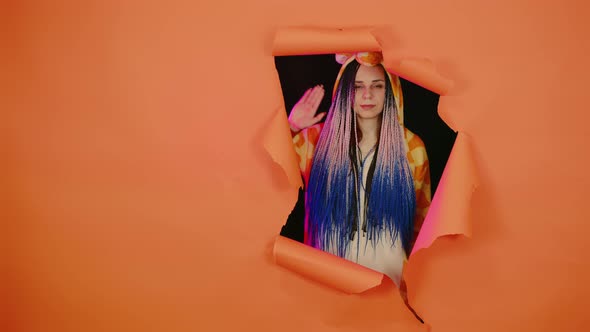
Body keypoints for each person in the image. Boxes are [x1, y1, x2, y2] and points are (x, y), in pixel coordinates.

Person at [288, 52, 432, 287]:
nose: (367, 95)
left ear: (391, 91)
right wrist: (291, 127)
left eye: (377, 86)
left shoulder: (412, 147)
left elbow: (422, 224)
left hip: (389, 289)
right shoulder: (314, 141)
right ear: (345, 91)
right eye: (357, 86)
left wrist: (417, 286)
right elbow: (267, 179)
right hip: (325, 287)